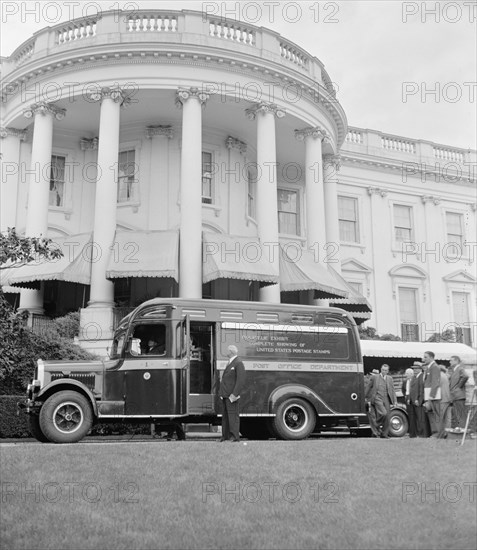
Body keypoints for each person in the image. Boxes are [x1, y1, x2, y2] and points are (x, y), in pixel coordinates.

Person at [218, 345, 245, 442]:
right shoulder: (230, 362)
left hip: (231, 396)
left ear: (231, 352)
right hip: (225, 395)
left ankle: (234, 437)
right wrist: (221, 393)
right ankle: (225, 436)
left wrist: (234, 394)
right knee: (225, 417)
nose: (226, 352)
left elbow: (240, 381)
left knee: (233, 417)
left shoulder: (238, 363)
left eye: (227, 351)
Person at [368, 364, 397, 438]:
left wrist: (395, 401)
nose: (384, 371)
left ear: (388, 371)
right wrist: (367, 398)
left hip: (387, 398)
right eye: (383, 370)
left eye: (386, 370)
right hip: (377, 397)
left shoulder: (390, 378)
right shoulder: (375, 377)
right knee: (383, 413)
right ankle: (376, 424)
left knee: (387, 416)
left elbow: (392, 390)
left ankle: (384, 434)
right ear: (381, 370)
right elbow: (368, 387)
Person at [422, 351, 441, 436]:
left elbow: (435, 383)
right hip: (429, 395)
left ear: (431, 357)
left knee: (435, 415)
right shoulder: (429, 368)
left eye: (426, 357)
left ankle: (438, 433)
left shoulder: (435, 367)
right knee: (431, 414)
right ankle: (434, 433)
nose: (424, 359)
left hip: (433, 397)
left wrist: (431, 396)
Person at [448, 355, 469, 432]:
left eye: (451, 360)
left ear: (456, 361)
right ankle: (459, 430)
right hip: (455, 396)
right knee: (457, 414)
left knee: (460, 414)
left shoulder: (460, 368)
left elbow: (466, 376)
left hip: (459, 395)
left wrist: (459, 386)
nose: (449, 362)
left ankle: (463, 430)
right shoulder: (454, 370)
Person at [364, 369, 380, 437]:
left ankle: (376, 432)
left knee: (373, 417)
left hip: (372, 401)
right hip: (373, 401)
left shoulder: (371, 381)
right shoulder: (378, 381)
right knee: (374, 417)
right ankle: (376, 431)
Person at [437, 365, 451, 439]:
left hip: (441, 399)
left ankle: (441, 435)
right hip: (447, 398)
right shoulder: (446, 376)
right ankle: (447, 433)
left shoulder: (439, 376)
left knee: (440, 418)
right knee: (447, 418)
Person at [402, 367, 415, 437]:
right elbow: (403, 390)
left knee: (414, 416)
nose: (406, 375)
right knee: (410, 415)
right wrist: (406, 396)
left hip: (413, 399)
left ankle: (413, 432)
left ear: (411, 374)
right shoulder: (404, 381)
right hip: (407, 398)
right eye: (406, 373)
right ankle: (411, 431)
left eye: (407, 373)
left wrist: (410, 397)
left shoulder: (414, 381)